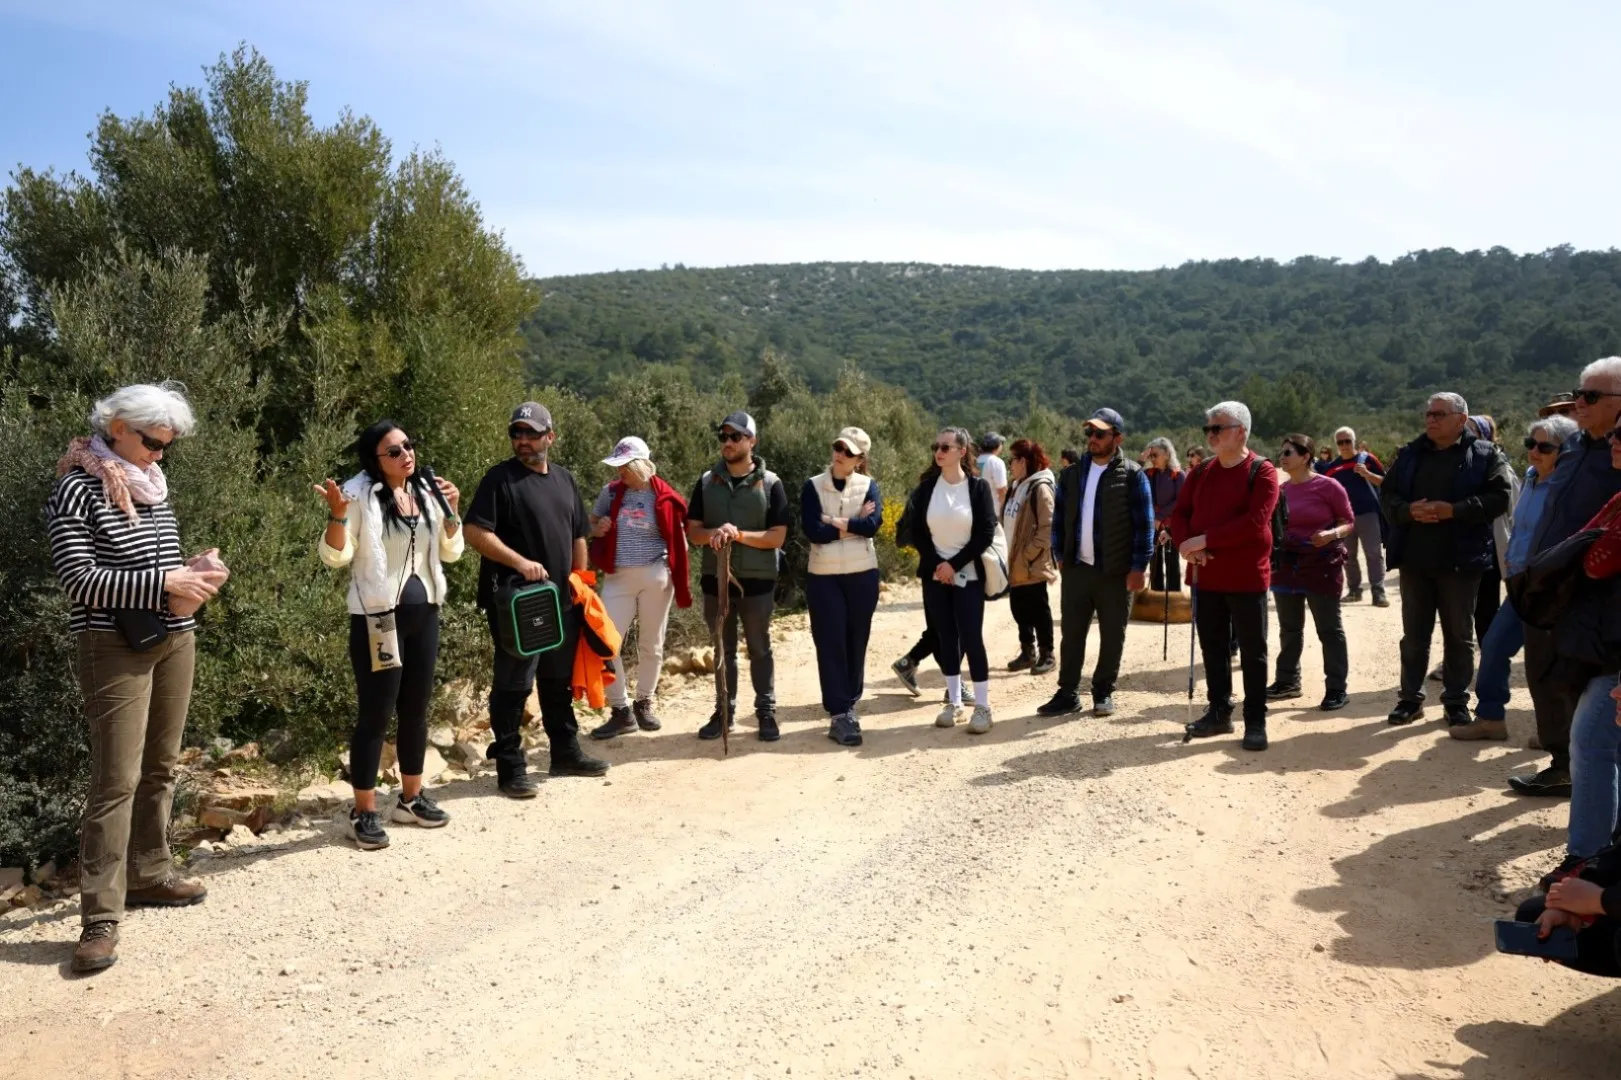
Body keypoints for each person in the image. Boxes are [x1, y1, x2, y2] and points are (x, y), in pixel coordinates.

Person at [46, 383, 229, 973]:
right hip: (111, 644)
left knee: (162, 764)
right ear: (118, 425)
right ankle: (100, 915)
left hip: (174, 636)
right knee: (115, 780)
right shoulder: (78, 485)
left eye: (166, 446)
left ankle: (149, 874)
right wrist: (165, 585)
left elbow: (155, 563)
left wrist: (191, 571)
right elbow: (79, 577)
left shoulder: (151, 484)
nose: (158, 454)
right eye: (152, 442)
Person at [316, 421, 462, 849]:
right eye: (394, 451)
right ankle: (362, 812)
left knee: (416, 708)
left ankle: (411, 799)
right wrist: (337, 516)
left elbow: (451, 551)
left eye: (408, 446)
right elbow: (335, 556)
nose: (406, 455)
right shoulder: (357, 494)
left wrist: (452, 511)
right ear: (375, 460)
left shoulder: (427, 490)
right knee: (376, 713)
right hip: (377, 618)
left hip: (425, 613)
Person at [464, 402, 608, 798]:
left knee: (557, 680)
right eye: (516, 433)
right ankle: (511, 768)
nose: (522, 441)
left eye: (530, 433)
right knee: (513, 683)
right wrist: (519, 561)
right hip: (517, 603)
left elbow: (579, 533)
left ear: (550, 437)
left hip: (561, 601)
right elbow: (475, 531)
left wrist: (582, 583)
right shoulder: (499, 479)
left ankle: (565, 752)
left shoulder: (564, 479)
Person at [1512, 357, 1621, 796]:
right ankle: (1564, 766)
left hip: (1596, 596)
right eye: (1578, 393)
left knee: (1587, 695)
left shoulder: (1617, 456)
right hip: (1553, 586)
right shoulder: (1573, 445)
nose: (1578, 403)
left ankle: (1590, 789)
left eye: (1590, 396)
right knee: (1545, 674)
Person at [1379, 393, 1514, 728]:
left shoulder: (1484, 455)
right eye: (1428, 414)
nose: (1430, 420)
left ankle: (1456, 700)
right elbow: (1387, 495)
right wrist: (1408, 511)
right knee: (1414, 636)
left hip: (1461, 561)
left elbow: (1500, 498)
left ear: (1461, 418)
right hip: (1415, 560)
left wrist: (1454, 510)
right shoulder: (1410, 454)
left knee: (1459, 636)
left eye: (1439, 414)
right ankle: (1410, 699)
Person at [1451, 415, 1578, 741]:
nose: (1534, 452)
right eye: (1530, 444)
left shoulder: (1571, 488)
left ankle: (1558, 734)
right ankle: (1491, 719)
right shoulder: (1532, 478)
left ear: (1565, 450)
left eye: (1544, 447)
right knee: (1493, 647)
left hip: (1551, 588)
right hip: (1521, 584)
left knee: (1548, 663)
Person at [1167, 401, 1280, 751]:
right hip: (1206, 575)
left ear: (1241, 431)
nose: (1211, 435)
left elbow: (1254, 523)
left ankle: (1255, 720)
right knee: (1213, 648)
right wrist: (1188, 545)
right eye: (1209, 429)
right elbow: (1179, 513)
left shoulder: (1262, 471)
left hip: (1246, 577)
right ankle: (1219, 712)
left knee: (1252, 651)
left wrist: (1204, 539)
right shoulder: (1200, 472)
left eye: (1219, 428)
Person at [1038, 408, 1152, 719]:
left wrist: (1139, 567)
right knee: (1072, 633)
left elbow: (1145, 525)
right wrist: (1060, 556)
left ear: (1118, 437)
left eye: (1100, 434)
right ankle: (1067, 693)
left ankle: (1103, 691)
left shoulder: (1132, 475)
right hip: (1077, 570)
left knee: (1113, 633)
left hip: (1115, 572)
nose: (1093, 439)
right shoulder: (1072, 474)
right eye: (1090, 433)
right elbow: (1059, 518)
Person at [686, 410, 791, 741]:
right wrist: (717, 531)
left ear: (752, 441)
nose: (727, 442)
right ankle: (724, 712)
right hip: (715, 580)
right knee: (722, 649)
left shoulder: (771, 483)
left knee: (759, 647)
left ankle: (766, 712)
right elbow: (693, 533)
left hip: (758, 582)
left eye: (735, 436)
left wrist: (737, 534)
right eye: (723, 437)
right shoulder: (705, 482)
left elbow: (777, 537)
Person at [585, 436, 691, 739]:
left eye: (624, 467)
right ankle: (620, 710)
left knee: (651, 644)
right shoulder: (611, 492)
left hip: (655, 574)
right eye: (617, 467)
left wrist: (673, 570)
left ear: (640, 465)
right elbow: (589, 523)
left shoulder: (666, 496)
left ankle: (644, 702)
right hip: (617, 577)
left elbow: (677, 537)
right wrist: (597, 527)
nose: (619, 473)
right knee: (606, 643)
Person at [905, 427, 997, 733]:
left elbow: (985, 532)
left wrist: (953, 565)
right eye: (936, 446)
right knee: (946, 638)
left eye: (945, 446)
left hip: (968, 574)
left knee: (971, 638)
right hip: (935, 576)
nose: (939, 451)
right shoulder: (926, 488)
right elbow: (917, 532)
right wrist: (937, 565)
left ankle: (982, 707)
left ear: (961, 450)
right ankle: (955, 702)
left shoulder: (978, 488)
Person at [802, 427, 883, 746]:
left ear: (859, 459)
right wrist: (854, 526)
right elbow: (812, 530)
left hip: (862, 574)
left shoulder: (869, 486)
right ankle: (839, 713)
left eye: (848, 452)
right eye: (838, 447)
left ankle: (850, 703)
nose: (840, 454)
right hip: (823, 576)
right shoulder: (812, 487)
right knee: (830, 640)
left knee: (856, 639)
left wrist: (834, 522)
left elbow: (873, 525)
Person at [1267, 434, 1354, 711]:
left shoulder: (1329, 487)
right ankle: (1288, 681)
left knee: (1329, 629)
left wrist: (1330, 535)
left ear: (1305, 456)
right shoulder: (1280, 490)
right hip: (1287, 566)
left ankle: (1336, 688)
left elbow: (1348, 522)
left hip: (1321, 564)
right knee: (1290, 628)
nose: (1282, 457)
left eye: (1288, 452)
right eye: (1281, 452)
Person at [1316, 425, 1387, 606]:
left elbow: (1387, 483)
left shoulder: (1368, 460)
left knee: (1374, 553)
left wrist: (1367, 473)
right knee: (1348, 556)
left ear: (1354, 441)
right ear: (1336, 445)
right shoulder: (1332, 468)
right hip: (1344, 519)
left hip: (1368, 514)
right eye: (1340, 442)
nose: (1344, 445)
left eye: (1347, 441)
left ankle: (1378, 592)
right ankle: (1355, 590)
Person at [1003, 439, 1057, 675]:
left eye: (1011, 460)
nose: (1009, 465)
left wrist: (1028, 555)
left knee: (1038, 609)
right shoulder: (1017, 486)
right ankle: (1028, 652)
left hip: (1031, 562)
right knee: (1018, 608)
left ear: (1022, 461)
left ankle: (1047, 654)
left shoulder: (1040, 488)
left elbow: (1047, 527)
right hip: (1014, 560)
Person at [1143, 438, 1185, 592]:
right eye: (1151, 456)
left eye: (1155, 455)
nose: (1152, 459)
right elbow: (1132, 480)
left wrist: (1160, 516)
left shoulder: (1178, 475)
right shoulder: (1148, 474)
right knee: (1154, 563)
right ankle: (1156, 596)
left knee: (1172, 561)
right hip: (1152, 523)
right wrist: (1141, 459)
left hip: (1170, 525)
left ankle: (1173, 599)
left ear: (1167, 454)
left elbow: (1180, 500)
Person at [977, 431, 1009, 515]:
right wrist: (1004, 510)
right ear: (997, 446)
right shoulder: (996, 462)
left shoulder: (976, 461)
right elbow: (1002, 489)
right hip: (992, 512)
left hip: (975, 511)